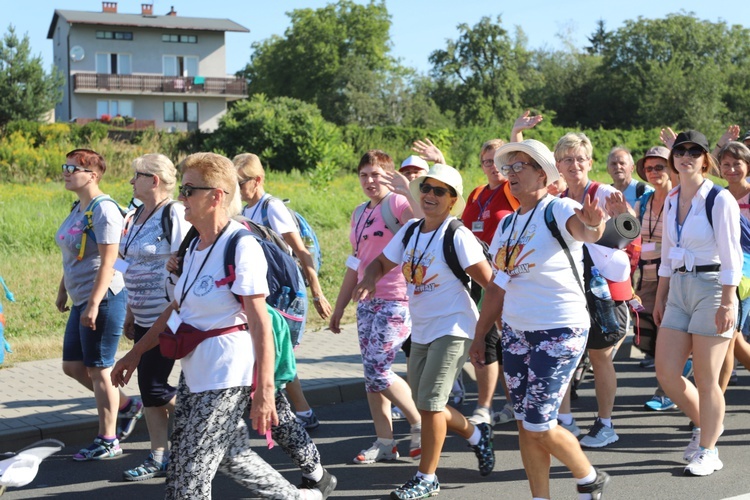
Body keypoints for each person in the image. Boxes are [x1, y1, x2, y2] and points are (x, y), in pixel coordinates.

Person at [111, 152, 324, 499]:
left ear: (216, 196)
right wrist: (134, 354)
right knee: (221, 458)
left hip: (227, 375)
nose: (181, 197)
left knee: (188, 483)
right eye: (182, 188)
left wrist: (266, 391)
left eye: (189, 189)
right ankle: (300, 497)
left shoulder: (241, 245)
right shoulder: (194, 245)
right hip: (195, 374)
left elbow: (260, 325)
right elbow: (176, 310)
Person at [470, 138, 611, 500]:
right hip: (517, 331)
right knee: (525, 423)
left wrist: (594, 226)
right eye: (508, 168)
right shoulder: (507, 226)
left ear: (542, 174)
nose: (511, 174)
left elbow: (585, 231)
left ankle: (589, 476)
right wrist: (480, 333)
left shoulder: (559, 209)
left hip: (560, 328)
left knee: (538, 423)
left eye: (520, 167)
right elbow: (497, 287)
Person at [355, 164, 495, 499]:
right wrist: (371, 276)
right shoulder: (411, 231)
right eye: (427, 188)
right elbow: (380, 261)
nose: (430, 195)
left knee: (430, 404)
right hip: (421, 330)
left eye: (439, 191)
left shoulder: (457, 235)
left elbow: (491, 285)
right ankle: (476, 434)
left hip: (455, 326)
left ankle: (427, 477)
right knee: (427, 403)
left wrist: (482, 335)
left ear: (452, 200)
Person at [413, 137, 519, 426]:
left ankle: (510, 402)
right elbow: (449, 202)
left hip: (503, 275)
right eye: (487, 161)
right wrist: (440, 163)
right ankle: (490, 404)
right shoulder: (476, 193)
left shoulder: (511, 191)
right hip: (473, 276)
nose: (493, 166)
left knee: (506, 339)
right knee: (486, 339)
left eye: (499, 161)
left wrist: (516, 133)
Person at [654, 131, 741, 477]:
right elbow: (665, 254)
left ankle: (708, 448)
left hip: (712, 286)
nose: (686, 156)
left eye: (694, 151)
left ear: (706, 159)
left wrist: (728, 301)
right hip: (679, 286)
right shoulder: (672, 198)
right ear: (673, 159)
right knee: (667, 373)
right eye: (680, 151)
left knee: (707, 378)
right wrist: (660, 297)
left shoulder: (719, 199)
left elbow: (732, 255)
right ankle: (706, 428)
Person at [328, 150, 422, 464]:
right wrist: (339, 307)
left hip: (396, 299)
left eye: (377, 174)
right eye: (364, 174)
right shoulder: (358, 213)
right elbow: (355, 265)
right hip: (366, 302)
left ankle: (419, 422)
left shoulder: (397, 203)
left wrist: (408, 191)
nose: (370, 180)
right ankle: (385, 442)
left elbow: (424, 232)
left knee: (379, 371)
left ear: (389, 175)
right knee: (371, 377)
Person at [235, 153, 332, 431]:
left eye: (241, 183)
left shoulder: (272, 208)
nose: (238, 189)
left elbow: (301, 252)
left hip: (286, 293)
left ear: (258, 180)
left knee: (279, 353)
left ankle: (302, 413)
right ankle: (294, 411)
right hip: (265, 290)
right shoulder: (247, 210)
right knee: (273, 352)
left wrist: (317, 292)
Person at [55, 149, 137, 461]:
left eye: (72, 168)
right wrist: (63, 289)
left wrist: (92, 304)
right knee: (73, 366)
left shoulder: (104, 210)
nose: (65, 172)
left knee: (100, 370)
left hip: (103, 298)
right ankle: (128, 406)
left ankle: (108, 439)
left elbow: (109, 262)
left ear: (93, 174)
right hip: (81, 298)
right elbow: (73, 253)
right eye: (65, 167)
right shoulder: (79, 207)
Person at [555, 133, 633, 448]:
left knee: (599, 355)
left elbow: (630, 232)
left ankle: (605, 424)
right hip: (568, 287)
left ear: (589, 162)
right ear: (558, 165)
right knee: (562, 351)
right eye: (567, 159)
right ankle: (565, 421)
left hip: (601, 291)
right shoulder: (557, 198)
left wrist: (622, 217)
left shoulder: (604, 193)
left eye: (580, 159)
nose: (575, 165)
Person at [118, 154, 191, 480]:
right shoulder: (136, 215)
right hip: (142, 315)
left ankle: (211, 425)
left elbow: (185, 261)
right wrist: (130, 310)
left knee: (153, 385)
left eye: (137, 175)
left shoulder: (173, 213)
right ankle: (160, 456)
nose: (132, 181)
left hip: (168, 316)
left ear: (155, 180)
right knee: (150, 387)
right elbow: (128, 264)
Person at [715, 142, 750, 387]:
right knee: (732, 339)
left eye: (736, 164)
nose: (731, 169)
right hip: (723, 272)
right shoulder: (719, 196)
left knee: (728, 339)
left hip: (745, 276)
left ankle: (712, 405)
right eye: (726, 164)